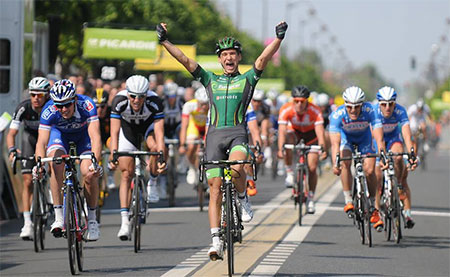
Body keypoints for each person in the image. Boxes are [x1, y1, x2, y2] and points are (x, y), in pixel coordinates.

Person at [157, 20, 287, 260]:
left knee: (238, 168)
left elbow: (263, 60)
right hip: (214, 136)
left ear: (238, 58)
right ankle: (215, 240)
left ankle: (242, 197)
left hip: (237, 133)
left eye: (233, 54)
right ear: (219, 59)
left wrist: (278, 38)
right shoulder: (210, 80)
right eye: (225, 54)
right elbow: (185, 60)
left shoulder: (247, 79)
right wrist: (165, 41)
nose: (229, 58)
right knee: (215, 190)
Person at [35, 79, 103, 241]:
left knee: (88, 173)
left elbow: (95, 137)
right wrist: (39, 164)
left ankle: (92, 220)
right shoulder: (48, 110)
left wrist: (96, 162)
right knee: (55, 163)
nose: (63, 109)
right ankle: (59, 217)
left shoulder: (87, 105)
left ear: (74, 100)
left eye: (67, 104)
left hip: (83, 137)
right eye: (59, 105)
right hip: (60, 136)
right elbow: (42, 142)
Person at [108, 75, 166, 241]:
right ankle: (125, 222)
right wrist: (114, 154)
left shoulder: (155, 102)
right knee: (126, 174)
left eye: (141, 96)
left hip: (148, 129)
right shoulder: (119, 101)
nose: (136, 100)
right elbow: (114, 132)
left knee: (155, 148)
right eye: (133, 96)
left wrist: (161, 155)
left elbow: (160, 134)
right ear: (127, 93)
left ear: (146, 95)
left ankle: (152, 182)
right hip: (128, 132)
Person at [329, 86, 386, 225]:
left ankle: (373, 205)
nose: (353, 110)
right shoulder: (338, 114)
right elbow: (335, 144)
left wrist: (382, 153)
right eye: (350, 107)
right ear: (345, 105)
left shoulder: (370, 110)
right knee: (345, 163)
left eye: (357, 107)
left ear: (362, 104)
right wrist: (335, 163)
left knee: (370, 170)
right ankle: (348, 199)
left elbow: (378, 137)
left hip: (364, 140)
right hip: (346, 139)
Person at [7, 77, 50, 239]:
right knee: (27, 182)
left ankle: (53, 195)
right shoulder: (23, 108)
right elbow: (12, 133)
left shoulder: (52, 107)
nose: (36, 99)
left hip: (48, 139)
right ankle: (27, 224)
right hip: (30, 140)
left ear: (46, 95)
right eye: (33, 95)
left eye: (39, 95)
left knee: (54, 165)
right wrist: (12, 149)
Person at [277, 85, 327, 214]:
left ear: (307, 101)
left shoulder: (315, 111)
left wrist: (322, 147)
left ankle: (310, 198)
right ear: (292, 100)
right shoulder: (285, 109)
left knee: (312, 167)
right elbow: (281, 131)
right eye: (296, 101)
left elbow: (320, 132)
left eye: (302, 101)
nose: (299, 104)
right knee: (287, 141)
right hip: (295, 134)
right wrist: (280, 148)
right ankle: (289, 173)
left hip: (311, 136)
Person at [373, 86, 418, 229]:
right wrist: (382, 155)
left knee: (398, 156)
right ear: (379, 103)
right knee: (377, 175)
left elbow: (406, 134)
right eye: (384, 104)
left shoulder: (400, 111)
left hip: (393, 138)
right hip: (377, 139)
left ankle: (397, 185)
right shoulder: (374, 112)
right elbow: (379, 140)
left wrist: (411, 151)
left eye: (390, 104)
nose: (387, 107)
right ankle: (377, 210)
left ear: (395, 103)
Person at [179, 87, 209, 186]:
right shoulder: (189, 105)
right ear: (197, 101)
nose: (204, 107)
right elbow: (184, 126)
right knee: (191, 146)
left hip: (206, 127)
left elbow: (212, 126)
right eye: (201, 104)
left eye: (206, 104)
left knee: (208, 149)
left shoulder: (212, 107)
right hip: (194, 127)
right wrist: (182, 144)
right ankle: (192, 168)